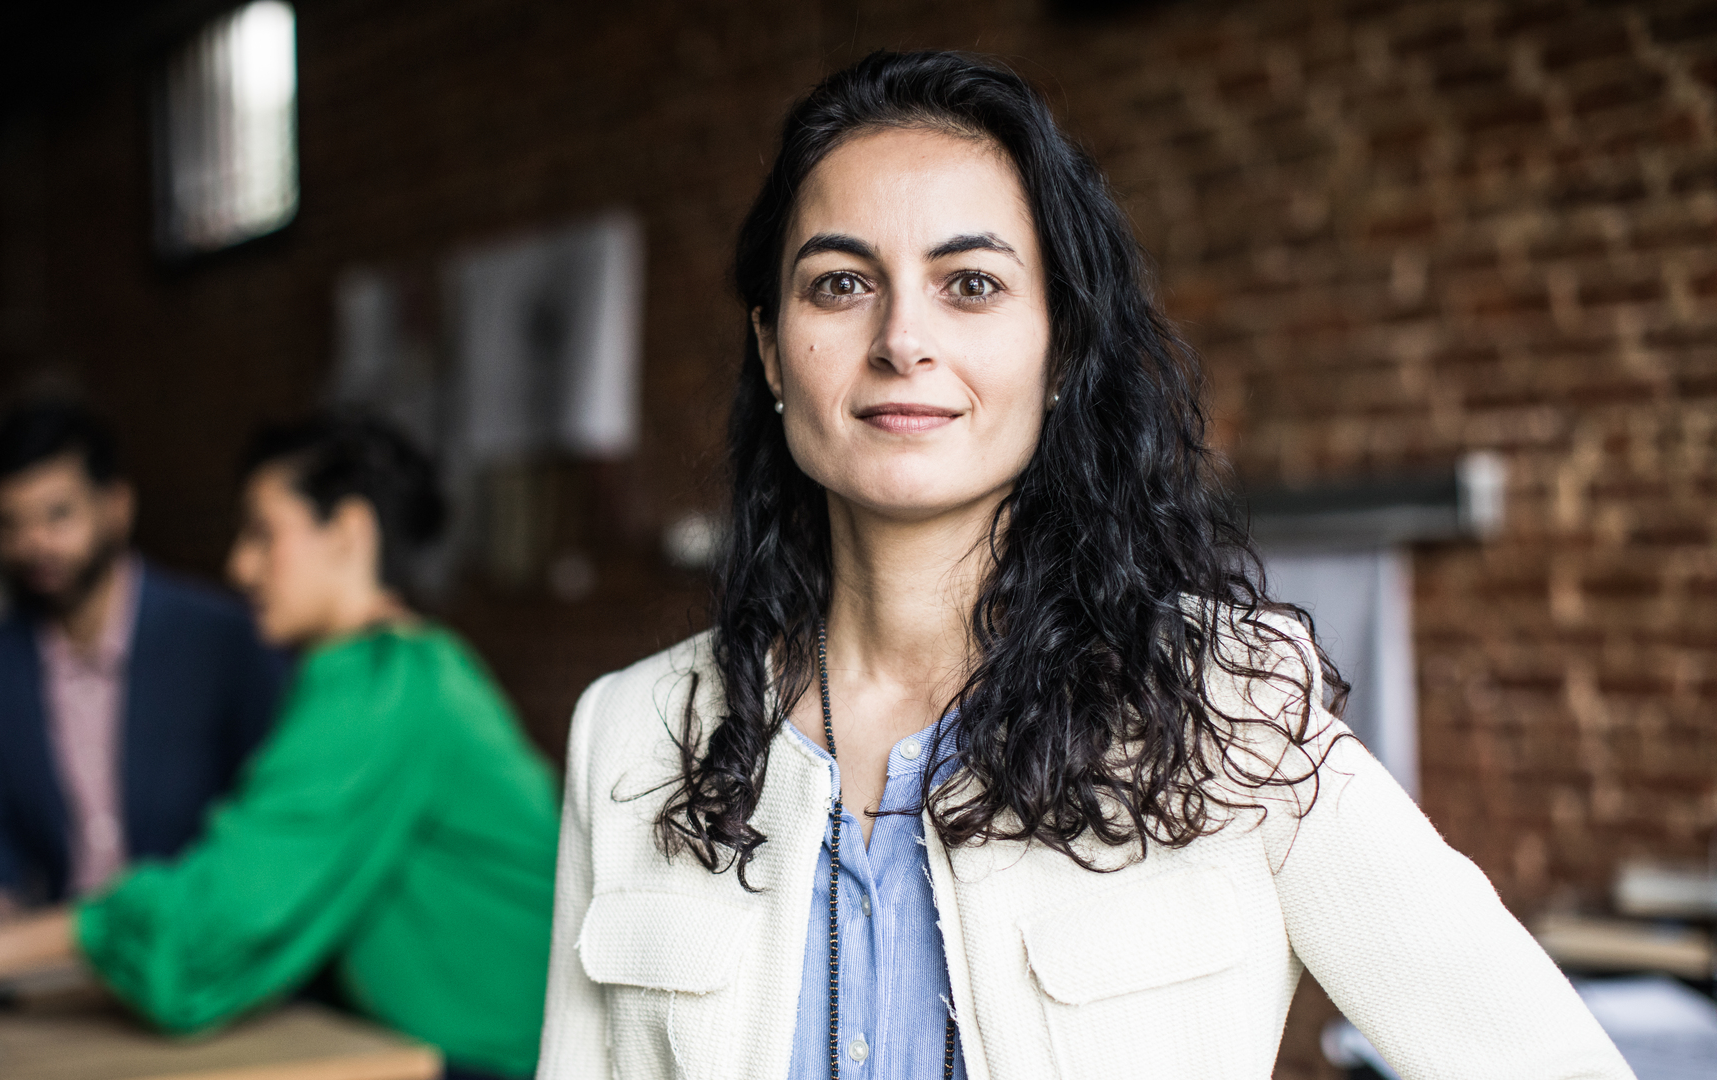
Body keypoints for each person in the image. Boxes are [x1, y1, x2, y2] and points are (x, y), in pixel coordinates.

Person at [537, 51, 1634, 1080]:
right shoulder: (631, 734)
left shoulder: (1231, 708)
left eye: (970, 284)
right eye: (840, 284)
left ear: (1060, 348)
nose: (902, 340)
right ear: (774, 348)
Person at [0, 415, 561, 1080]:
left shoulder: (384, 680)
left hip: (494, 1064)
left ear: (349, 534)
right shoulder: (386, 671)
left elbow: (219, 913)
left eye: (262, 534)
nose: (238, 566)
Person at [0, 402, 285, 912]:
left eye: (58, 515)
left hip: (194, 949)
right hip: (43, 956)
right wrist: (1, 928)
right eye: (11, 523)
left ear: (117, 507)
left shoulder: (224, 641)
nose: (35, 544)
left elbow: (263, 820)